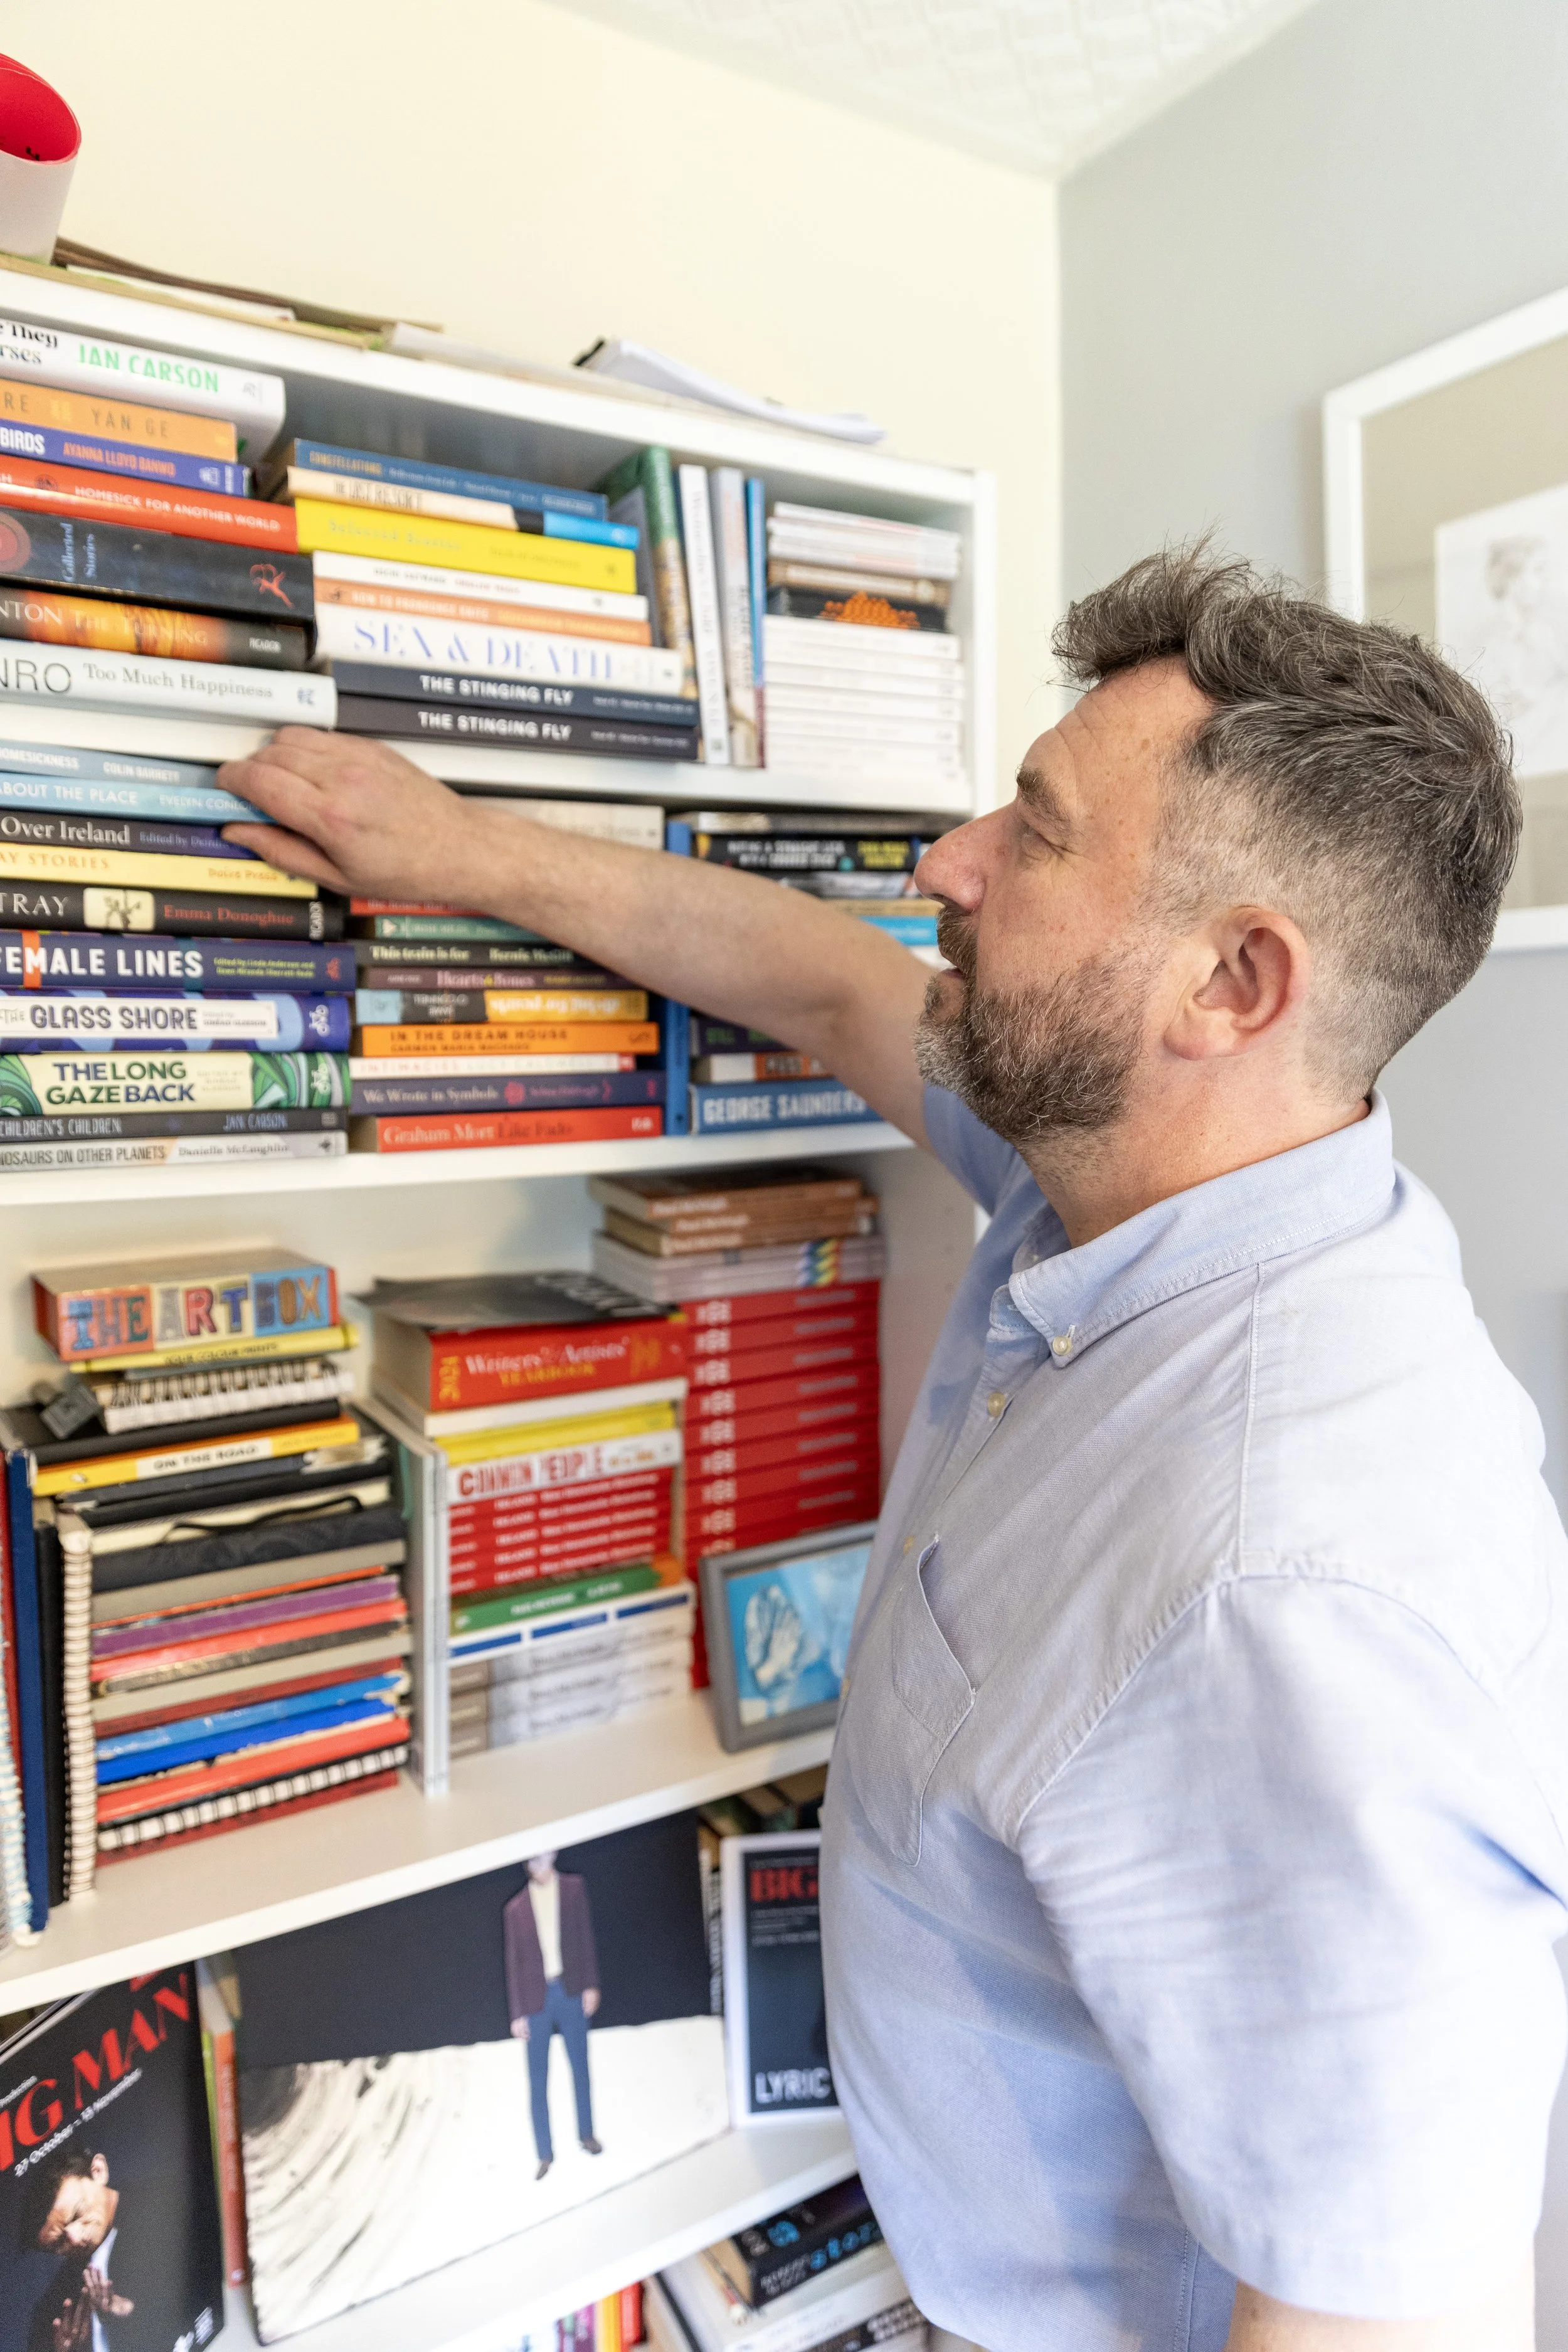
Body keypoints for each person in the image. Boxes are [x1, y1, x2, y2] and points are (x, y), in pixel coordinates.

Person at [220, 548, 1568, 2352]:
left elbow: (1379, 2314)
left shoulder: (1291, 1584)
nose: (945, 861)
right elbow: (841, 988)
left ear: (1231, 982)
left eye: (1032, 826)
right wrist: (457, 852)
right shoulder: (1131, 1182)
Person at [25, 2148, 199, 2352]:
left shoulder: (175, 2206)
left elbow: (195, 2307)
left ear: (98, 2171)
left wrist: (129, 2316)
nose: (74, 2237)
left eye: (76, 2213)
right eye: (58, 2243)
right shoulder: (53, 2310)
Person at [502, 1850, 602, 2177]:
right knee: (538, 2079)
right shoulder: (515, 1909)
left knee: (580, 2068)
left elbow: (586, 1938)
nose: (536, 1865)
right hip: (536, 2000)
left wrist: (590, 1984)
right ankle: (544, 2153)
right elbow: (513, 1965)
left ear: (553, 1854)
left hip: (570, 1990)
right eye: (530, 1860)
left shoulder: (574, 1888)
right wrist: (517, 2013)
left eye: (541, 1858)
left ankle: (586, 2134)